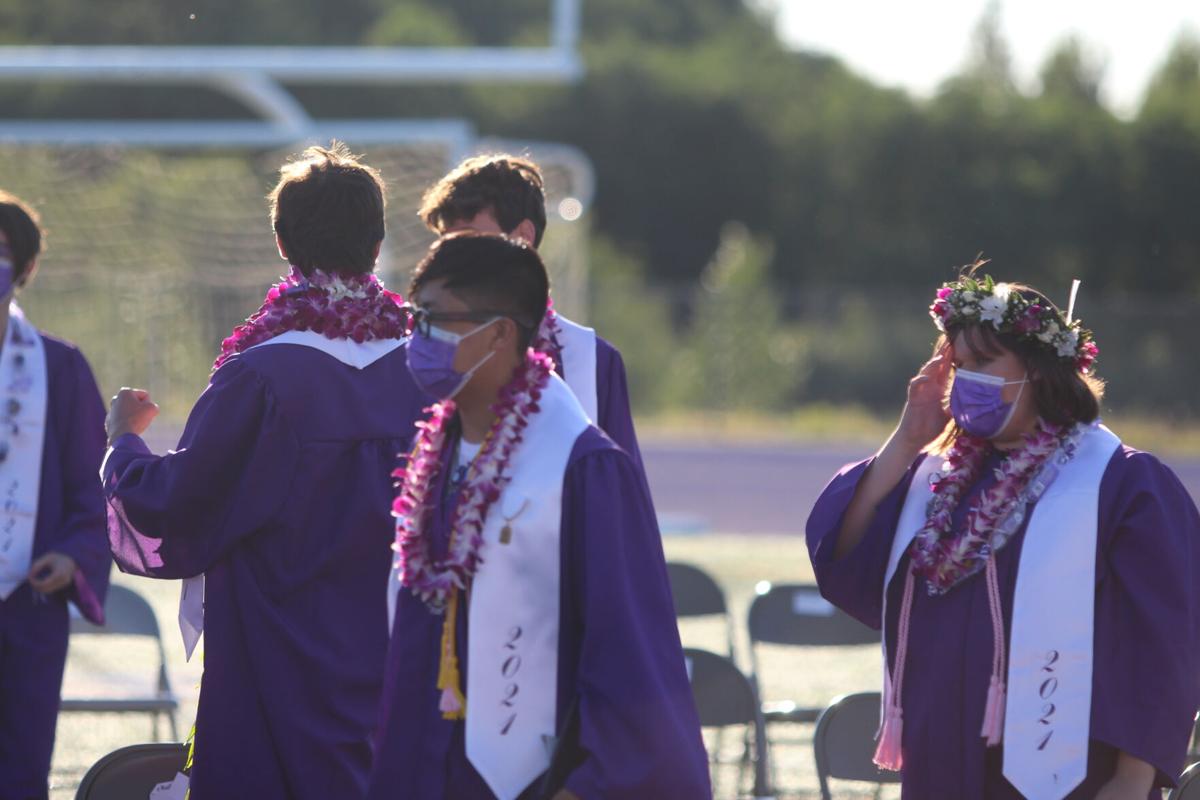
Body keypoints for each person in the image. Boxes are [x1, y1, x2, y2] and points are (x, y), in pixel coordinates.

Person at [102, 144, 428, 799]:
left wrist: (124, 446)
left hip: (278, 660)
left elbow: (181, 502)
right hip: (403, 661)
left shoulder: (261, 377)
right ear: (379, 243)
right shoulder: (430, 374)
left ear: (281, 242)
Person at [806, 266, 1200, 799]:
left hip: (1068, 770)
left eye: (984, 363)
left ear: (1038, 370)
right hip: (941, 758)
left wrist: (1133, 778)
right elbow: (844, 553)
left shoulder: (1122, 483)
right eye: (960, 366)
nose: (967, 380)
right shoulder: (939, 480)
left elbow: (1163, 638)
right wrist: (906, 439)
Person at [367, 233, 709, 800]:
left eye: (436, 320)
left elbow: (628, 651)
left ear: (500, 333)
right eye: (415, 317)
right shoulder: (433, 456)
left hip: (531, 777)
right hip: (425, 765)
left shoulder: (581, 467)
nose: (418, 338)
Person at [418, 154, 642, 469]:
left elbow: (618, 486)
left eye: (467, 238)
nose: (451, 258)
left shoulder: (590, 359)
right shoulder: (427, 354)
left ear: (523, 236)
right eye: (446, 242)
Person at [0, 191, 109, 800]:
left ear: (25, 266)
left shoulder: (60, 369)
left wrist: (71, 555)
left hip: (27, 601)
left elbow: (90, 488)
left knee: (20, 771)